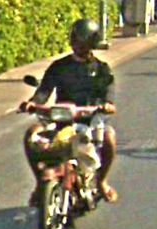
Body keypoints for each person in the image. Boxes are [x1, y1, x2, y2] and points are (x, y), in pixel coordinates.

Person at [19, 19, 118, 207]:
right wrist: (32, 103)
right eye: (75, 40)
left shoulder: (102, 70)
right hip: (61, 120)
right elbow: (43, 91)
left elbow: (109, 96)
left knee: (109, 138)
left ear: (91, 44)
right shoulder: (59, 66)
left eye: (81, 42)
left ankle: (102, 181)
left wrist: (106, 105)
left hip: (89, 121)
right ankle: (40, 184)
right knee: (31, 135)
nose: (76, 45)